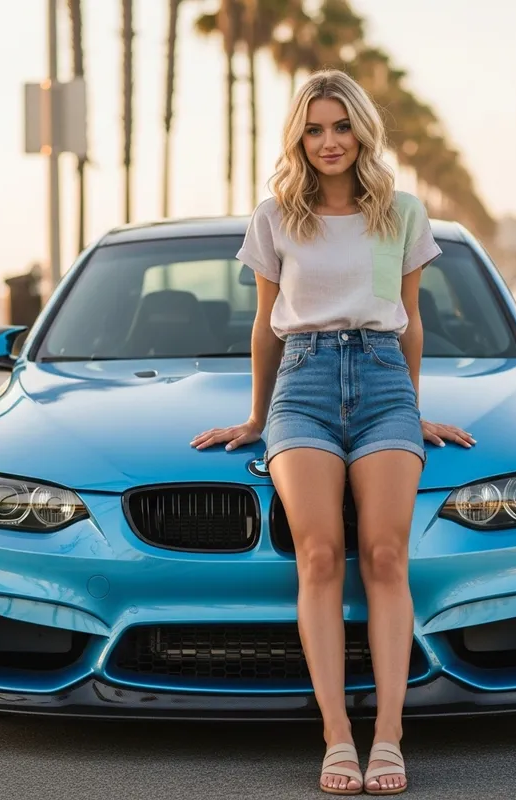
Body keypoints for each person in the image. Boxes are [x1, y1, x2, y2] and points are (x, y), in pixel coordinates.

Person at [191, 69, 475, 796]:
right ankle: (337, 735)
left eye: (341, 126)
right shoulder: (275, 217)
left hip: (383, 384)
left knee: (384, 554)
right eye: (314, 129)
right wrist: (258, 417)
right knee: (318, 554)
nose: (329, 141)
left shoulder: (400, 212)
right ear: (298, 137)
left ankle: (390, 736)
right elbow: (266, 327)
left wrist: (411, 408)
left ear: (362, 132)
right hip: (303, 387)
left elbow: (410, 323)